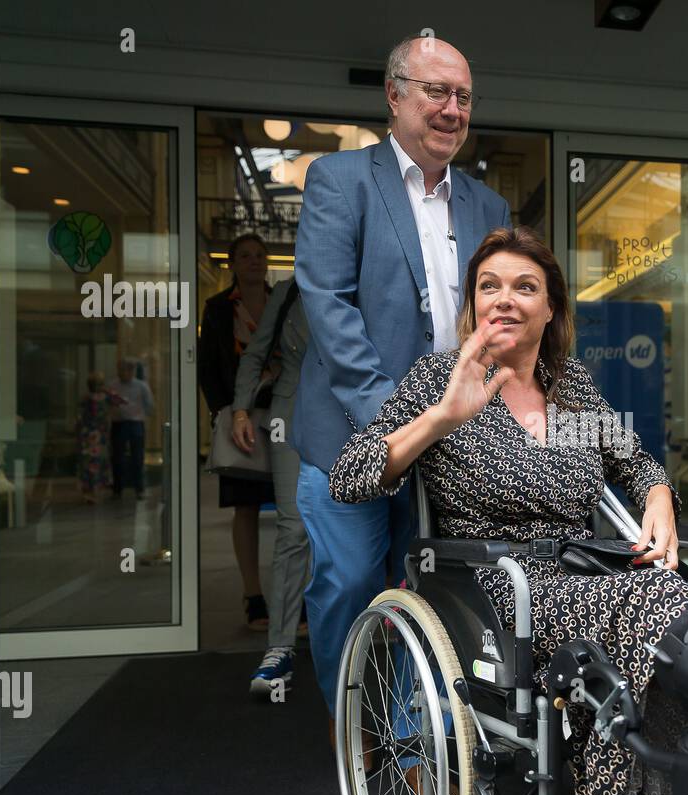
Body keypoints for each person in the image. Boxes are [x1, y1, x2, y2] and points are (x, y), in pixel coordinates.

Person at [329, 227, 688, 795]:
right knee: (673, 621)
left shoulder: (568, 386)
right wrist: (442, 417)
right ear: (471, 304)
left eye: (525, 286)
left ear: (550, 308)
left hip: (595, 571)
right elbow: (349, 476)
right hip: (502, 585)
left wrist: (659, 497)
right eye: (489, 285)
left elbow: (634, 462)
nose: (505, 298)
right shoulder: (442, 377)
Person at [293, 34, 512, 742]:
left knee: (438, 592)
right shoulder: (339, 179)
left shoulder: (488, 206)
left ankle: (417, 745)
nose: (452, 109)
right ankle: (353, 728)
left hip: (453, 445)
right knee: (352, 586)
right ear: (394, 97)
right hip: (351, 439)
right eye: (435, 92)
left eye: (464, 97)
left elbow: (500, 319)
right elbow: (328, 303)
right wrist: (390, 424)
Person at [232, 276, 313, 693]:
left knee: (356, 528)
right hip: (290, 414)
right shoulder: (288, 293)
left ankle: (357, 639)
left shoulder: (364, 275)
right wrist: (242, 409)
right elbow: (256, 353)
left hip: (354, 416)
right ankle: (280, 647)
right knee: (293, 528)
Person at [198, 233, 276, 631]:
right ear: (232, 264)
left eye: (259, 255)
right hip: (240, 418)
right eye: (245, 256)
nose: (254, 261)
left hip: (281, 416)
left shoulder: (285, 303)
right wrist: (223, 413)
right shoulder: (216, 309)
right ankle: (253, 595)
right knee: (245, 506)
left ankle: (289, 594)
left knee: (292, 512)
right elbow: (208, 368)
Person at [106, 357, 154, 501]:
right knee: (117, 458)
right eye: (120, 370)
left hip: (135, 423)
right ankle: (117, 489)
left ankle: (139, 489)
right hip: (118, 424)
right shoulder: (113, 385)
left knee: (137, 457)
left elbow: (150, 405)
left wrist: (140, 413)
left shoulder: (141, 386)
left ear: (132, 371)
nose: (122, 373)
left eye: (125, 370)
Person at [77, 370, 113, 504]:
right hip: (98, 434)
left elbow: (79, 417)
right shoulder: (104, 398)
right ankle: (94, 490)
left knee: (89, 462)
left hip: (90, 434)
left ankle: (90, 491)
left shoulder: (86, 398)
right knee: (96, 462)